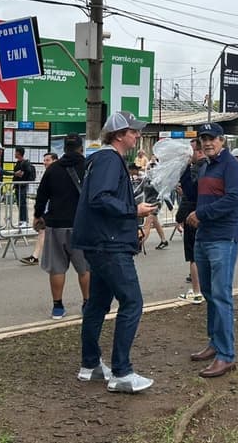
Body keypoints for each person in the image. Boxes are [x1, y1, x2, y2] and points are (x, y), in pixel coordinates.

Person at [74, 111, 158, 393]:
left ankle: (91, 364)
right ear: (119, 134)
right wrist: (133, 211)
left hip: (99, 242)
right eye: (133, 131)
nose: (137, 135)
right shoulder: (110, 159)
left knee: (97, 304)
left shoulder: (99, 159)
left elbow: (99, 197)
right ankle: (121, 372)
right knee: (132, 302)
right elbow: (101, 198)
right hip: (109, 245)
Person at [186, 122, 238, 377]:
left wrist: (202, 214)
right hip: (204, 236)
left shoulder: (231, 166)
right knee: (210, 294)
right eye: (203, 139)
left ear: (222, 140)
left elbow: (234, 199)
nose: (208, 143)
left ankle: (227, 355)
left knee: (221, 296)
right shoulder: (205, 165)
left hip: (223, 238)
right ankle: (215, 343)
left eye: (212, 139)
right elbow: (199, 196)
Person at [33, 134, 89, 320]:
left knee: (57, 268)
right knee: (85, 268)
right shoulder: (89, 167)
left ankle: (58, 307)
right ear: (81, 148)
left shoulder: (53, 169)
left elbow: (41, 196)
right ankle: (87, 303)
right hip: (81, 225)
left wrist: (37, 216)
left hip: (56, 224)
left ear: (64, 149)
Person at [176, 139, 205, 304]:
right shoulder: (210, 167)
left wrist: (179, 217)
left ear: (198, 152)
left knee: (193, 256)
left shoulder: (195, 169)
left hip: (193, 217)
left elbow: (190, 197)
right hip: (206, 217)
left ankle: (196, 291)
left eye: (191, 150)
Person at [21, 152, 56, 266]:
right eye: (44, 160)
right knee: (43, 232)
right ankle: (35, 256)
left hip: (56, 210)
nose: (45, 162)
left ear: (55, 160)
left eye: (48, 160)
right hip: (47, 210)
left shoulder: (57, 174)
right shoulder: (48, 173)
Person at [13, 147, 36, 227]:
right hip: (17, 185)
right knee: (19, 203)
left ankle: (24, 221)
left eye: (15, 152)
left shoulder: (25, 163)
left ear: (19, 153)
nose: (14, 154)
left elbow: (27, 172)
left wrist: (22, 173)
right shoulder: (18, 162)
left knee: (22, 203)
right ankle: (21, 220)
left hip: (22, 186)